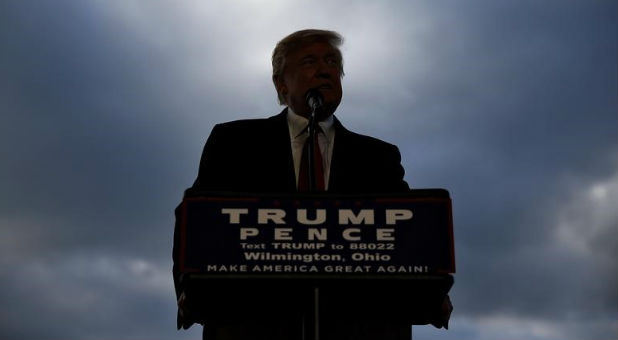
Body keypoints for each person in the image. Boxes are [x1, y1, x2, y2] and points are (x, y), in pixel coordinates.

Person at [173, 29, 450, 339]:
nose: (324, 69)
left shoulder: (379, 156)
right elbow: (196, 219)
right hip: (253, 325)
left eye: (332, 61)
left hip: (358, 327)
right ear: (281, 83)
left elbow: (408, 233)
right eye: (309, 61)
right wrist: (190, 287)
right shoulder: (234, 142)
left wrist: (433, 290)